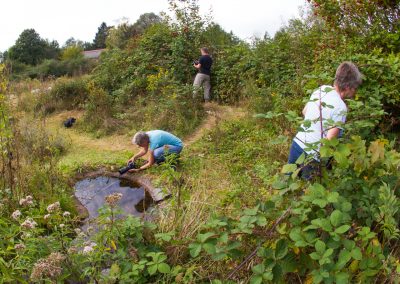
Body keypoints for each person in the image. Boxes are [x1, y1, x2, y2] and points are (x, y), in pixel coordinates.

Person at [288, 61, 362, 178]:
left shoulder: (322, 89)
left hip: (297, 143)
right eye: (355, 88)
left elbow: (304, 111)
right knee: (309, 191)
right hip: (312, 155)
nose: (355, 91)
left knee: (289, 182)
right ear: (348, 87)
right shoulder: (341, 107)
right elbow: (329, 140)